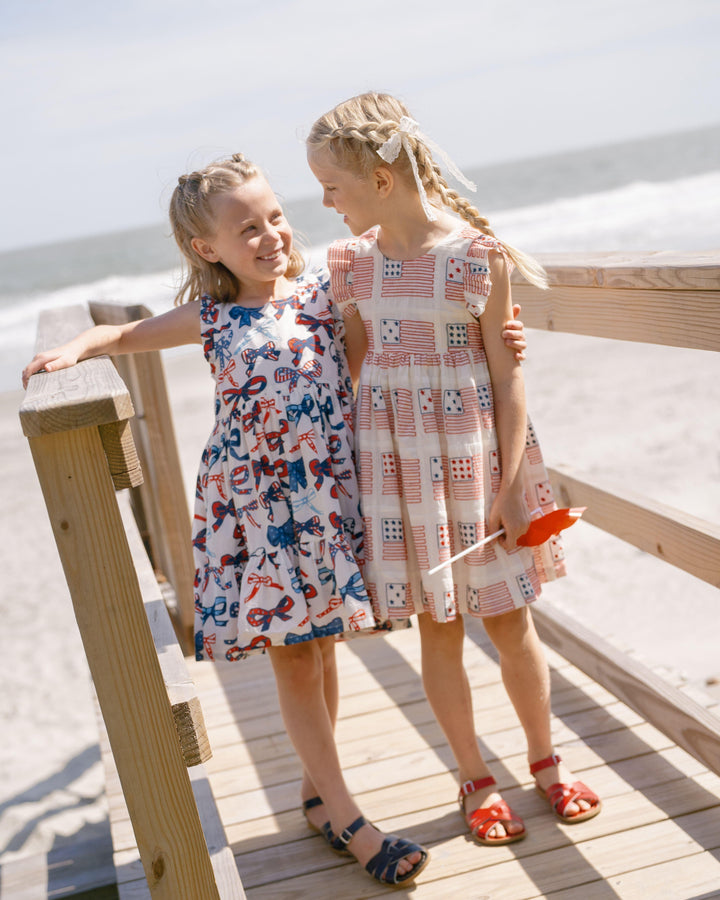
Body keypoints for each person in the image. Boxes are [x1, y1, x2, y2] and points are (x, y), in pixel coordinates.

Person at [22, 153, 432, 887]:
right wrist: (77, 345)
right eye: (248, 227)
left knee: (324, 643)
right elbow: (122, 338)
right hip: (257, 511)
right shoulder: (212, 317)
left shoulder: (325, 290)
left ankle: (316, 793)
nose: (270, 234)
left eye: (274, 216)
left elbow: (400, 299)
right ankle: (347, 815)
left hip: (328, 499)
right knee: (296, 655)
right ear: (206, 248)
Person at [306, 92, 601, 846]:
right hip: (401, 477)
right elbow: (356, 365)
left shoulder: (476, 257)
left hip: (478, 469)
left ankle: (545, 760)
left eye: (331, 188)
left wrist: (507, 491)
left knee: (509, 620)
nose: (325, 204)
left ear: (379, 180)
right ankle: (474, 777)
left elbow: (508, 381)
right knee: (438, 630)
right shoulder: (348, 267)